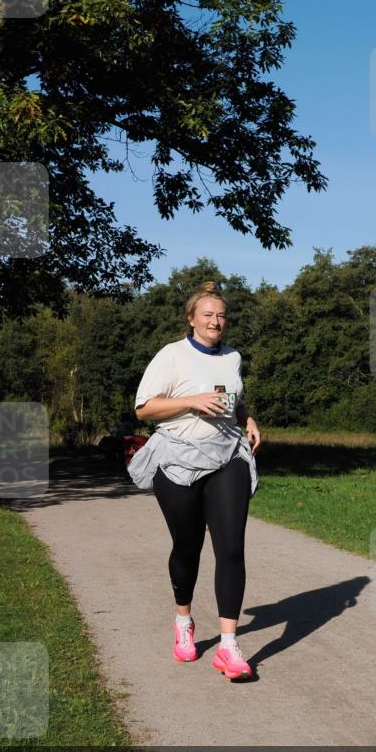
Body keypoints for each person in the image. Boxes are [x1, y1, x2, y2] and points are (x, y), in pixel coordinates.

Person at [131, 282, 261, 680]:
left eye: (221, 315)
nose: (215, 321)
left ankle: (228, 646)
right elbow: (144, 409)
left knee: (231, 548)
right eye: (207, 315)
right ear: (191, 319)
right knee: (188, 548)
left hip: (227, 457)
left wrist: (247, 418)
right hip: (179, 460)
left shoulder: (232, 357)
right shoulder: (172, 355)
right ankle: (183, 621)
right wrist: (191, 401)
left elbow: (233, 399)